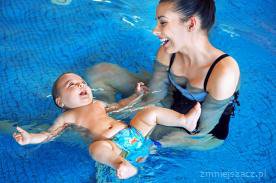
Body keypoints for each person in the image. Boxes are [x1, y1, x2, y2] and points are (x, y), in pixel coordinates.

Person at [86, 0, 240, 150]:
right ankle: (97, 117)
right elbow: (154, 96)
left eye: (163, 22)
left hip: (201, 131)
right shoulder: (168, 51)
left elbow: (201, 131)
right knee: (101, 72)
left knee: (139, 133)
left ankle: (102, 135)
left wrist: (161, 142)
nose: (155, 30)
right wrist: (117, 110)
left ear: (191, 24)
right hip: (171, 100)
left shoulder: (223, 72)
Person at [13, 73, 201, 179]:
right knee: (96, 148)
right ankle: (122, 165)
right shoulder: (68, 117)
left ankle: (184, 121)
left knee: (149, 112)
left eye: (83, 82)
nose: (81, 86)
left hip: (133, 134)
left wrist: (136, 96)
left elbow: (119, 107)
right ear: (60, 101)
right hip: (115, 148)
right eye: (73, 85)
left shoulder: (98, 103)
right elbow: (49, 134)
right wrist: (30, 138)